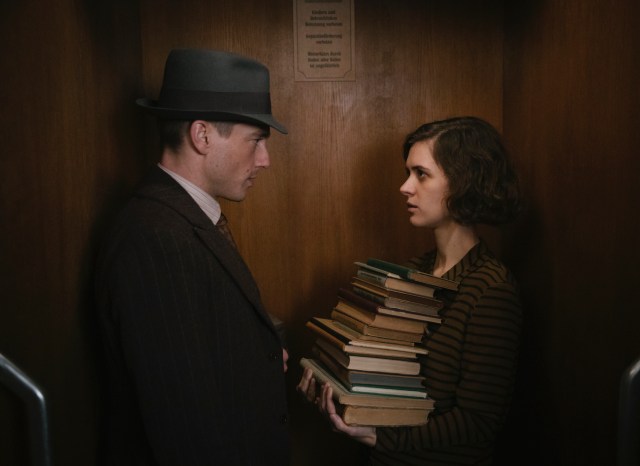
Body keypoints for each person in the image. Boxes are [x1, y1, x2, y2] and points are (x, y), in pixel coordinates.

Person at [95, 48, 290, 465]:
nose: (265, 160)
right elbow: (183, 424)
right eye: (256, 140)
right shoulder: (154, 239)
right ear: (202, 136)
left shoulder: (179, 218)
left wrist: (259, 358)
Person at [298, 116, 523, 465]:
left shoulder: (491, 290)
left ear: (463, 181)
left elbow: (478, 422)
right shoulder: (414, 271)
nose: (405, 187)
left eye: (421, 174)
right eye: (408, 173)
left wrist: (379, 436)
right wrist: (336, 388)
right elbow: (384, 379)